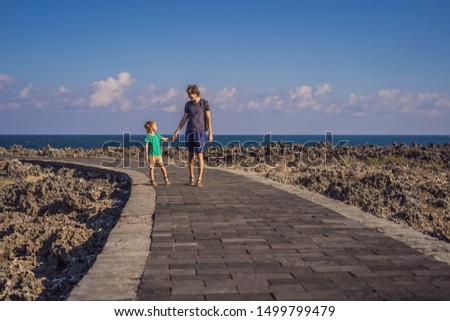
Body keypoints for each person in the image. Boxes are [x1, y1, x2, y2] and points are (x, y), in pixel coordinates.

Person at [172, 84, 213, 187]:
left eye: (190, 93)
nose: (189, 96)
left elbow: (208, 119)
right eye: (188, 94)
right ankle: (191, 177)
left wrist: (211, 133)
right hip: (189, 132)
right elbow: (184, 118)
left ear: (196, 93)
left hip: (200, 133)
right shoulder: (188, 105)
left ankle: (199, 179)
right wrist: (177, 131)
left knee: (200, 156)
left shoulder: (204, 103)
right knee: (190, 156)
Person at [144, 120, 171, 186]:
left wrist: (171, 138)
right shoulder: (148, 136)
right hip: (151, 155)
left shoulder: (157, 135)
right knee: (151, 168)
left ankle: (166, 179)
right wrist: (146, 155)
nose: (156, 126)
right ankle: (152, 181)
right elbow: (146, 147)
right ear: (151, 127)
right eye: (155, 125)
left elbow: (164, 139)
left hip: (158, 155)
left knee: (162, 167)